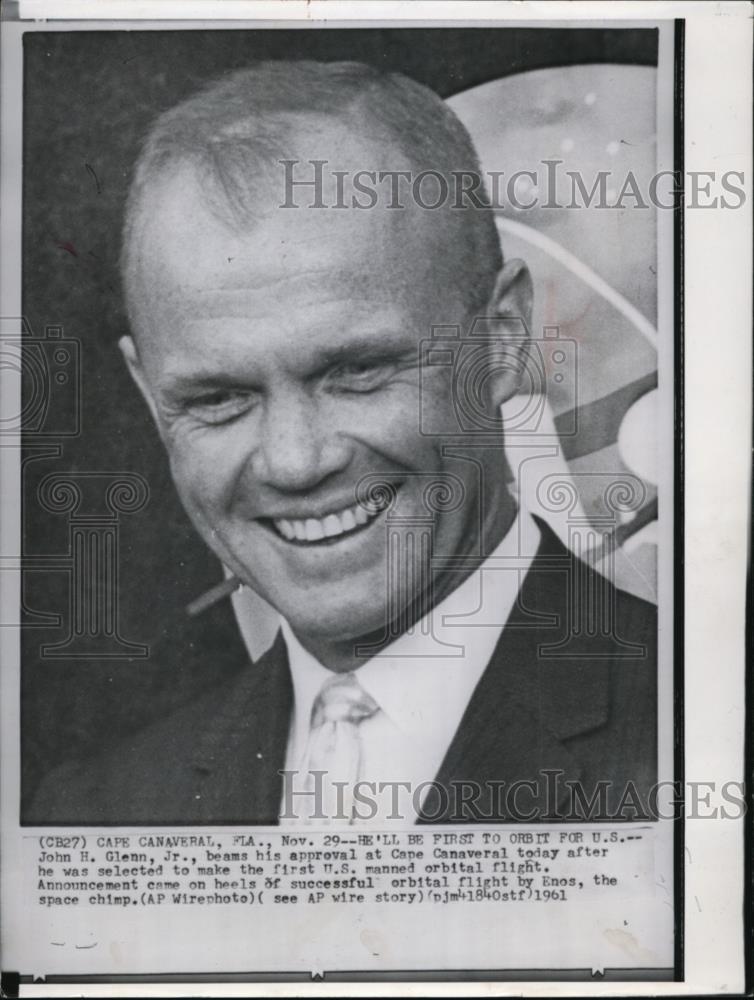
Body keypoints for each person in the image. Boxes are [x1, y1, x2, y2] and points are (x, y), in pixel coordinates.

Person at [30, 60, 656, 826]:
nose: (294, 460)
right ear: (151, 399)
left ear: (501, 340)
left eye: (356, 370)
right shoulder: (97, 813)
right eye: (219, 398)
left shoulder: (702, 733)